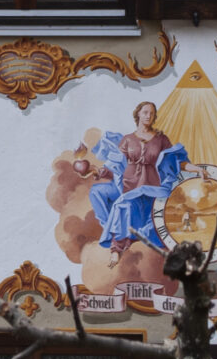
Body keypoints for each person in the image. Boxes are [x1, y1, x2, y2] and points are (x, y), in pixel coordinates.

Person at [78, 100, 201, 255]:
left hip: (152, 188)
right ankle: (115, 240)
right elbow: (117, 166)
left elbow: (177, 161)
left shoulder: (161, 139)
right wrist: (99, 171)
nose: (148, 116)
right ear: (138, 114)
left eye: (152, 113)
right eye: (145, 112)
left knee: (151, 226)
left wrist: (196, 169)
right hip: (130, 186)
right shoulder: (128, 139)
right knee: (118, 204)